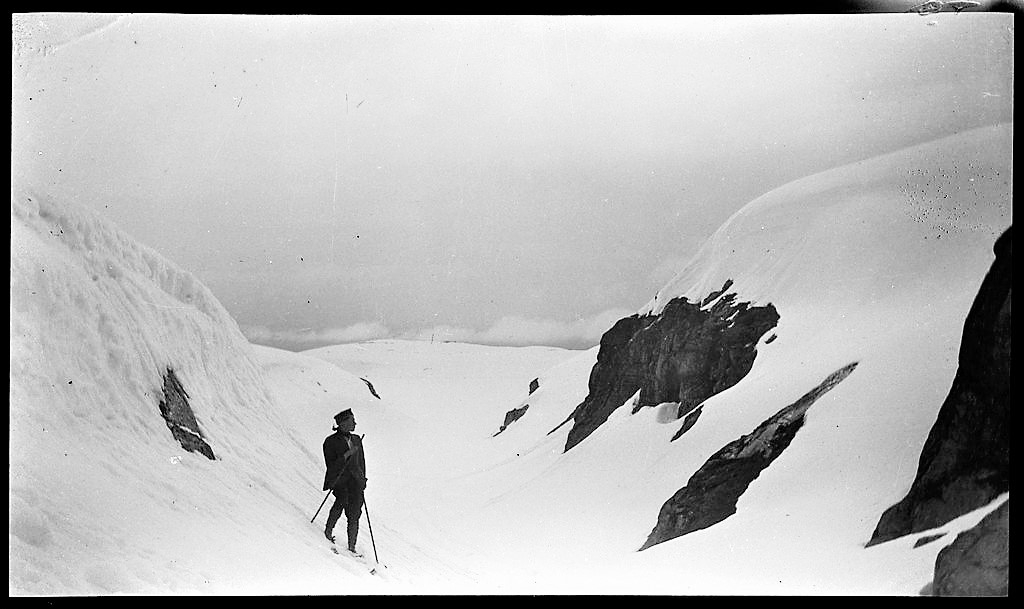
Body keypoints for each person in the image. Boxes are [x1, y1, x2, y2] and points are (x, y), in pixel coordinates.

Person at [322, 409, 367, 554]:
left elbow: (362, 462)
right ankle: (328, 531)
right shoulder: (330, 442)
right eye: (352, 421)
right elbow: (331, 465)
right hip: (340, 479)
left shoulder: (356, 439)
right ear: (342, 424)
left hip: (355, 481)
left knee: (355, 512)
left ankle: (352, 546)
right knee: (341, 501)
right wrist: (347, 454)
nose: (355, 423)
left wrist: (363, 478)